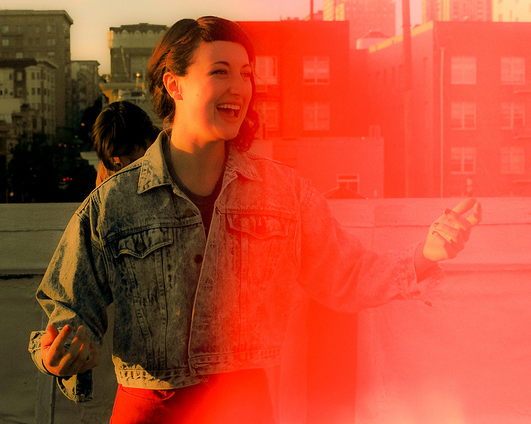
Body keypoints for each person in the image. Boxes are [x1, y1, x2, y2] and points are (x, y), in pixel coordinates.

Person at [28, 16, 482, 424]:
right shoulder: (113, 203)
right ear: (174, 85)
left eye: (246, 74)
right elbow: (67, 312)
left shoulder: (284, 194)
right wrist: (59, 356)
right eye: (220, 71)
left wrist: (425, 255)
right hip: (149, 413)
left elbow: (345, 275)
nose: (240, 88)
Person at [91, 101, 160, 185]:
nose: (124, 163)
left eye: (129, 153)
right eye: (116, 158)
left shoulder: (171, 158)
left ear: (147, 138)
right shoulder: (107, 169)